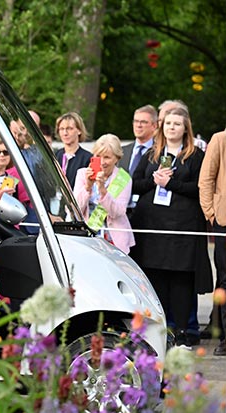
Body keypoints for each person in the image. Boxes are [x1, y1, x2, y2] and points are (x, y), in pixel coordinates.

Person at [129, 107, 211, 347]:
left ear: (186, 128)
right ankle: (162, 331)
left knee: (180, 281)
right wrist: (155, 180)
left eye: (177, 124)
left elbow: (199, 188)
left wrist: (171, 183)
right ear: (162, 127)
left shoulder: (195, 155)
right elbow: (136, 184)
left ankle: (183, 332)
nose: (172, 127)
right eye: (168, 123)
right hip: (154, 228)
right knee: (157, 279)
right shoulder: (152, 154)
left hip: (182, 230)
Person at [72, 134, 134, 254]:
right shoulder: (82, 174)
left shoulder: (124, 178)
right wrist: (88, 187)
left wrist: (102, 190)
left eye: (107, 157)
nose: (102, 162)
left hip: (114, 241)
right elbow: (75, 209)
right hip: (86, 238)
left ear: (117, 158)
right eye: (98, 156)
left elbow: (118, 212)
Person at [199, 130, 226, 355]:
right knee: (225, 279)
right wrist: (212, 213)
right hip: (224, 221)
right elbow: (206, 179)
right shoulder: (220, 139)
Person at [54, 112, 91, 190]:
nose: (65, 133)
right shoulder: (55, 156)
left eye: (69, 128)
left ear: (79, 131)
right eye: (61, 129)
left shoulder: (87, 158)